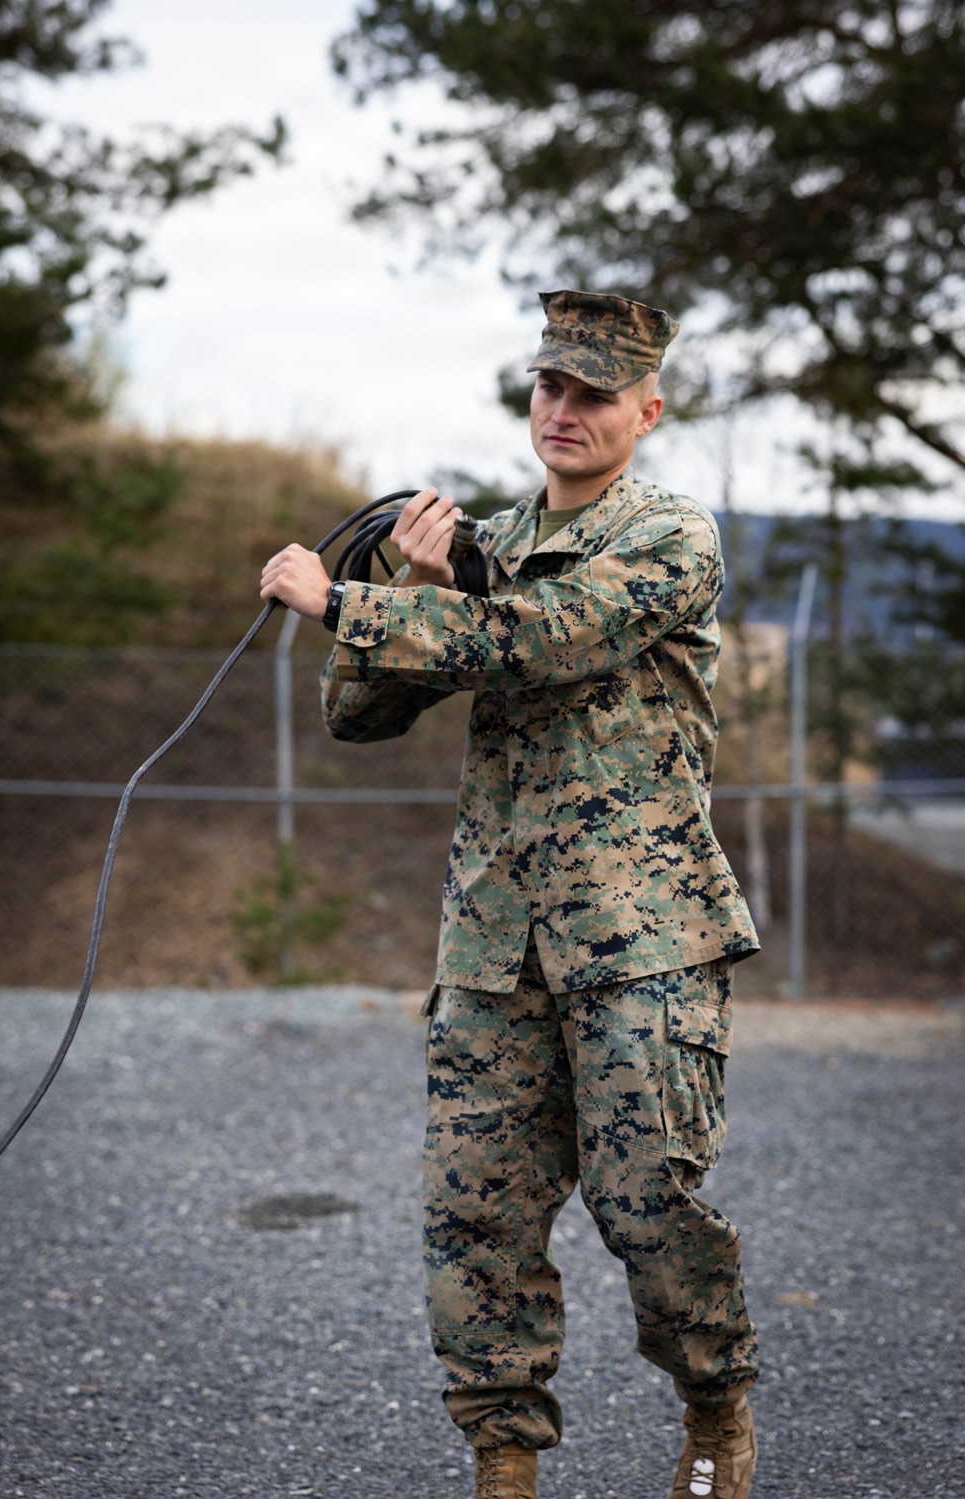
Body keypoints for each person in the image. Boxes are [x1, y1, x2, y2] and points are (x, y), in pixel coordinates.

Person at [260, 290, 761, 1499]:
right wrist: (411, 589)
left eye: (594, 392)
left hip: (641, 936)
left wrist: (354, 601)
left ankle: (714, 1403)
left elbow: (546, 638)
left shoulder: (669, 538)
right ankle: (502, 1455)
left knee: (648, 1202)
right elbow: (356, 713)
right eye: (550, 386)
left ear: (648, 407)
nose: (565, 409)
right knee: (476, 1217)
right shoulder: (479, 540)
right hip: (495, 940)